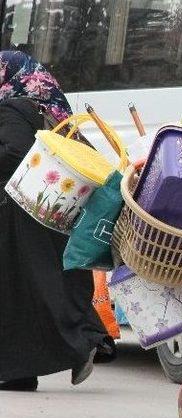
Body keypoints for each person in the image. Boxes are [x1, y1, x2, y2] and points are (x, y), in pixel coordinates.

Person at [0, 51, 108, 391]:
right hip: (51, 213)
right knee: (45, 287)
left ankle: (83, 341)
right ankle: (21, 372)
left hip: (22, 218)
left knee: (23, 292)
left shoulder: (13, 107)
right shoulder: (51, 108)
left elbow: (14, 151)